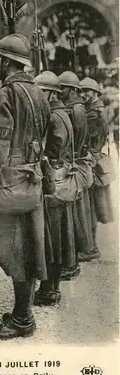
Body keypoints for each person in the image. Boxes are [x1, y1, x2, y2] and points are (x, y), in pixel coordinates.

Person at [0, 34, 50, 339]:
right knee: (31, 246)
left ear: (7, 62)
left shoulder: (6, 95)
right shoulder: (39, 92)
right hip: (32, 179)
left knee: (9, 247)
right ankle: (24, 314)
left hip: (8, 182)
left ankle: (22, 319)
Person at [34, 71, 75, 305]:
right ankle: (52, 288)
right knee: (58, 236)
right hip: (62, 176)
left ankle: (48, 290)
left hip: (54, 178)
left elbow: (54, 146)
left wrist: (45, 161)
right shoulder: (63, 112)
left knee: (51, 237)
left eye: (41, 91)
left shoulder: (53, 115)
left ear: (50, 94)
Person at [58, 71, 96, 277]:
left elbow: (78, 141)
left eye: (63, 88)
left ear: (72, 90)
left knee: (73, 213)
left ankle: (75, 258)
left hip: (75, 163)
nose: (60, 91)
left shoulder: (76, 110)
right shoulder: (76, 108)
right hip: (76, 161)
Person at [80, 77, 113, 248]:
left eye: (87, 91)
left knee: (90, 204)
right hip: (96, 158)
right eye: (82, 91)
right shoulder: (96, 109)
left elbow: (90, 138)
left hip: (92, 160)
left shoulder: (95, 113)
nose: (83, 94)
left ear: (95, 93)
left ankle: (91, 246)